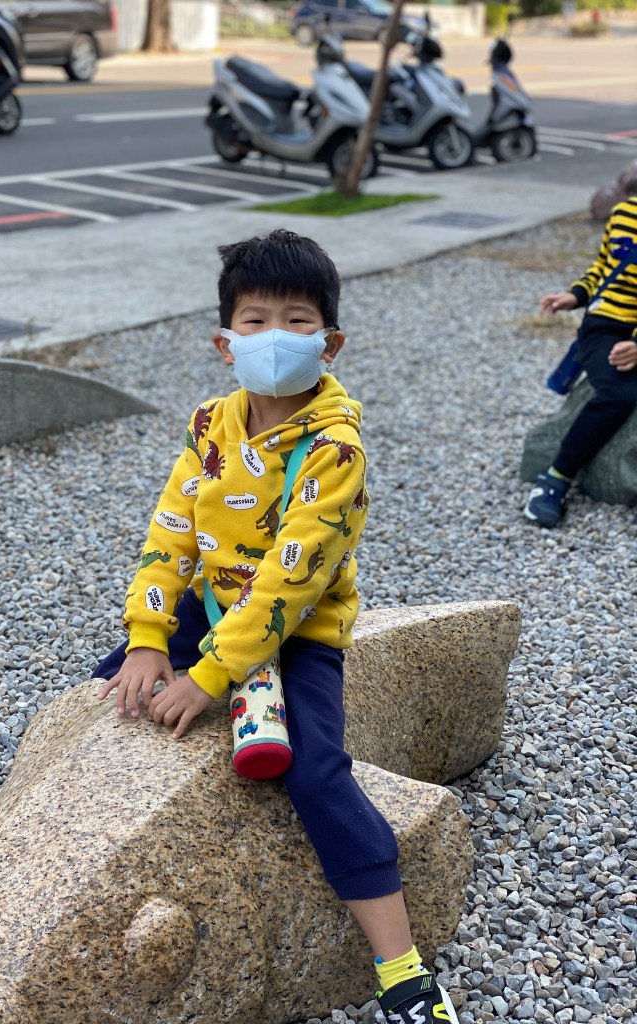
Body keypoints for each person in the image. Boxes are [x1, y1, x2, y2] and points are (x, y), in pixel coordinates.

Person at [94, 229, 460, 1024]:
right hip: (214, 607)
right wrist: (149, 638)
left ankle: (401, 969)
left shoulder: (335, 448)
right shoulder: (209, 423)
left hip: (297, 631)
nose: (273, 337)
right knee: (110, 683)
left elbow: (289, 587)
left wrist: (208, 676)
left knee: (317, 774)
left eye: (296, 321)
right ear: (224, 342)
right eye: (254, 321)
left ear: (329, 342)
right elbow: (170, 534)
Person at [525, 195, 637, 527]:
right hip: (607, 326)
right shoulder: (624, 212)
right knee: (619, 394)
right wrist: (575, 295)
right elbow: (603, 268)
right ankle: (555, 478)